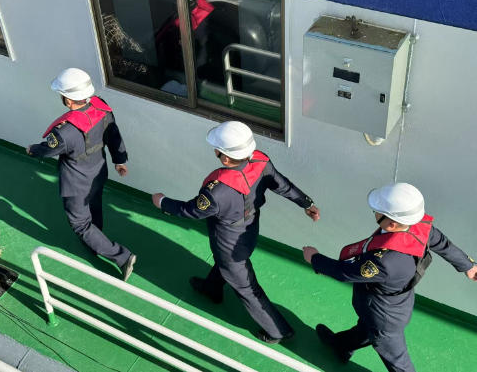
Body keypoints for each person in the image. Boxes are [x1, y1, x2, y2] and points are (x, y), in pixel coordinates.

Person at [152, 121, 320, 343]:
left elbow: (191, 211)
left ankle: (278, 331)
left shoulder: (217, 191)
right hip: (249, 229)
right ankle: (212, 289)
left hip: (229, 243)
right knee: (226, 266)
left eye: (217, 149)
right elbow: (282, 185)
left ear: (225, 158)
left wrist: (162, 202)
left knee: (246, 287)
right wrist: (306, 203)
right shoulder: (261, 161)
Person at [302, 182, 477, 372]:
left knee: (398, 362)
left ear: (392, 223)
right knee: (365, 329)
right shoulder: (419, 227)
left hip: (383, 316)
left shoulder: (385, 261)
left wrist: (315, 258)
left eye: (377, 211)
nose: (375, 213)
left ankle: (343, 345)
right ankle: (341, 345)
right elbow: (443, 243)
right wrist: (468, 266)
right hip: (392, 304)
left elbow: (344, 272)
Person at [27, 68, 136, 281]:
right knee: (94, 206)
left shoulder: (65, 132)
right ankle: (96, 240)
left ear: (68, 100)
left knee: (80, 224)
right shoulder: (102, 107)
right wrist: (119, 160)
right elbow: (113, 134)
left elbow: (48, 150)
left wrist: (33, 149)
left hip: (76, 184)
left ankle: (122, 257)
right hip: (98, 173)